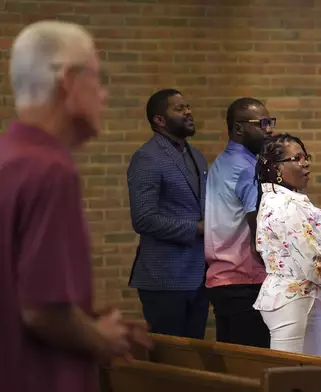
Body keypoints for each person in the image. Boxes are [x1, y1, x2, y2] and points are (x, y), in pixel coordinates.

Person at [0, 20, 151, 392]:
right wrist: (104, 340)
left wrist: (89, 319)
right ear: (67, 79)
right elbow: (42, 310)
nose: (103, 95)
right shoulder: (50, 169)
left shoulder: (9, 158)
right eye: (97, 79)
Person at [127, 89, 210, 339]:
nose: (188, 112)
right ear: (159, 120)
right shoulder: (147, 158)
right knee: (172, 361)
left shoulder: (197, 156)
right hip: (164, 278)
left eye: (188, 106)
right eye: (179, 108)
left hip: (199, 275)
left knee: (194, 359)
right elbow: (143, 218)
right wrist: (197, 229)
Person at [253, 134, 321, 355]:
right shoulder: (285, 205)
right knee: (292, 378)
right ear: (275, 167)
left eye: (306, 156)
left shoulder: (286, 200)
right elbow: (315, 264)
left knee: (303, 376)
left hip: (300, 300)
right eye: (297, 158)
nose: (306, 163)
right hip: (298, 302)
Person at [205, 97, 274, 347]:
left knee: (234, 362)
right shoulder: (247, 168)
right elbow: (259, 229)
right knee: (254, 366)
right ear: (238, 128)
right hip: (247, 280)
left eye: (270, 122)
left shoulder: (220, 163)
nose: (270, 129)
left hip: (222, 279)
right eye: (263, 123)